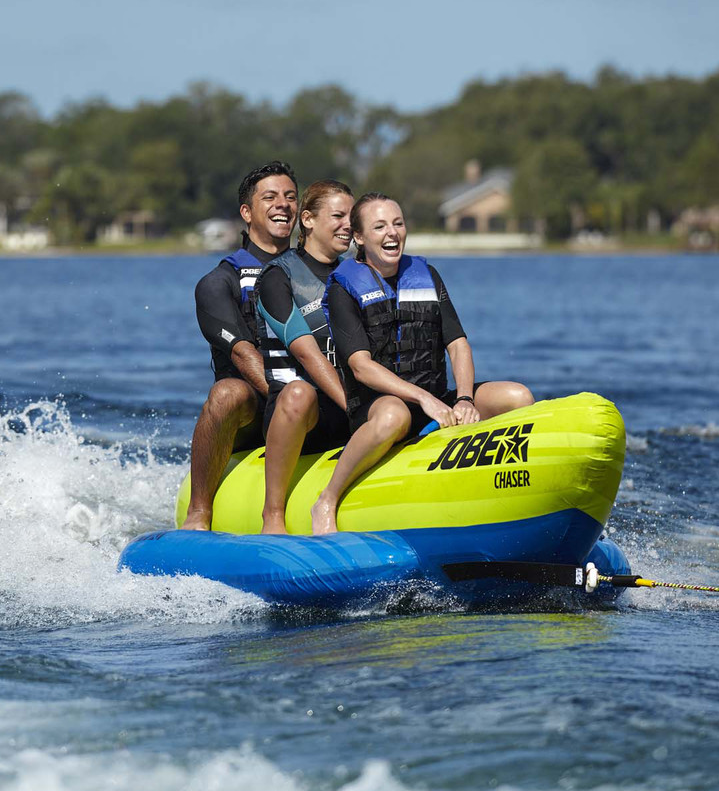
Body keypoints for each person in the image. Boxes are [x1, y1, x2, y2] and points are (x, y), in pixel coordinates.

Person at [308, 192, 534, 535]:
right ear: (359, 237)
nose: (392, 233)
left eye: (398, 224)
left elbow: (457, 345)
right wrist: (422, 399)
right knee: (394, 414)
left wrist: (464, 398)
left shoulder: (426, 274)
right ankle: (328, 498)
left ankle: (516, 496)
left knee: (517, 397)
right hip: (378, 406)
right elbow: (360, 366)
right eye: (380, 226)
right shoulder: (344, 287)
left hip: (437, 400)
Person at [180, 162, 299, 530]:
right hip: (258, 407)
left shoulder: (320, 273)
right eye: (270, 197)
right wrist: (289, 406)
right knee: (228, 392)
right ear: (247, 213)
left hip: (314, 397)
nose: (283, 204)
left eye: (291, 197)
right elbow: (241, 354)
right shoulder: (220, 281)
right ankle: (199, 512)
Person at [253, 180, 355, 534]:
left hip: (351, 409)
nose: (348, 225)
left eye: (352, 217)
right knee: (300, 392)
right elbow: (308, 354)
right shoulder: (277, 277)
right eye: (338, 216)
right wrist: (357, 408)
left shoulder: (357, 274)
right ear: (308, 220)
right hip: (301, 417)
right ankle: (272, 515)